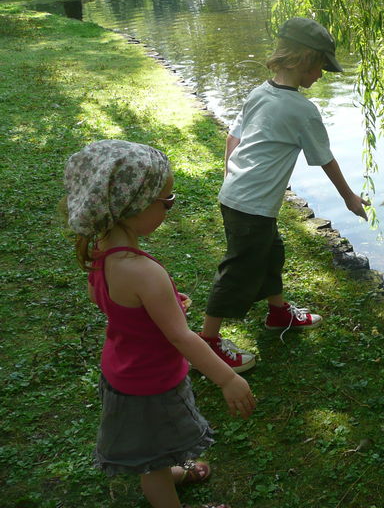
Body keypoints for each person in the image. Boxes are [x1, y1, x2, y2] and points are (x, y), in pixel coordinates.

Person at [63, 139, 256, 508]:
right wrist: (228, 379)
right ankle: (164, 484)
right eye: (165, 201)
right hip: (150, 384)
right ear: (132, 205)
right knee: (152, 465)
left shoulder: (102, 248)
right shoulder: (143, 271)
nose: (169, 208)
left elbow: (105, 300)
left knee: (155, 446)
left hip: (123, 370)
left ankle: (171, 471)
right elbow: (182, 338)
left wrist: (161, 305)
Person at [199, 17, 369, 372]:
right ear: (306, 60)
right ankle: (207, 343)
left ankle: (278, 313)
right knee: (239, 271)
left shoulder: (259, 92)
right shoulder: (302, 110)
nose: (322, 75)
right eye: (322, 66)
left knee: (271, 253)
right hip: (253, 204)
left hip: (238, 195)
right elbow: (325, 159)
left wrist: (231, 174)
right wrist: (350, 198)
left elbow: (233, 138)